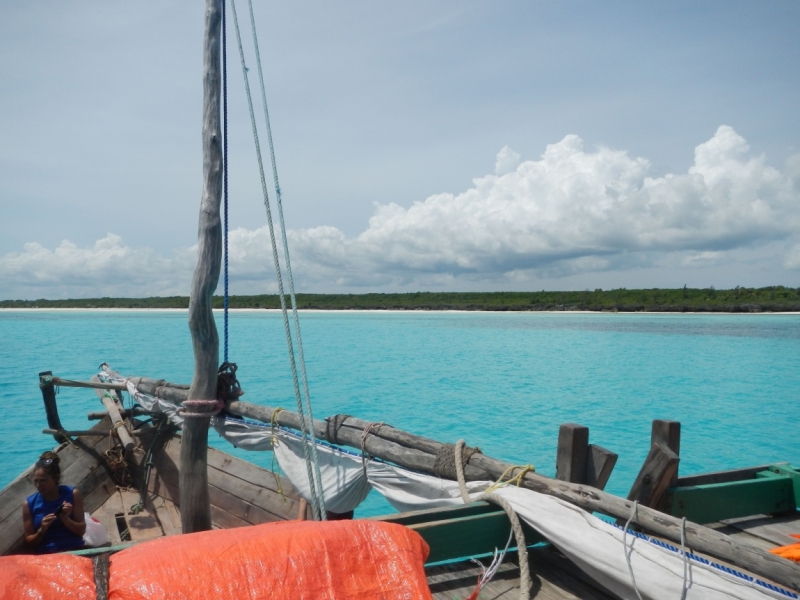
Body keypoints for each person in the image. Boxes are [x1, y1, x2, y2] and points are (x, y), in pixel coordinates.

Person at [22, 451, 86, 553]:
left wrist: (65, 519)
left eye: (43, 480)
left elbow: (81, 532)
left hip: (75, 549)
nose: (38, 485)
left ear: (55, 478)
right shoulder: (29, 504)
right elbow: (29, 543)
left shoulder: (72, 494)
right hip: (47, 554)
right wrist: (41, 530)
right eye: (36, 481)